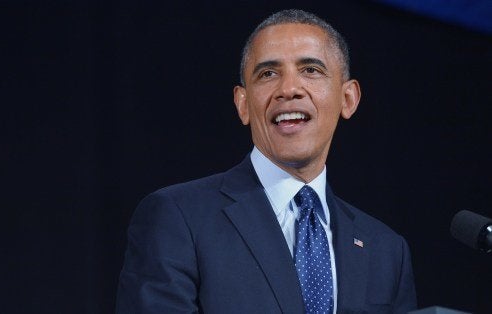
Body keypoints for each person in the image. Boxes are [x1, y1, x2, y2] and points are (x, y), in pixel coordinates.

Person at [116, 9, 416, 314]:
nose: (288, 89)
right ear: (243, 104)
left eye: (311, 70)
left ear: (348, 98)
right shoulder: (178, 218)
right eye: (268, 74)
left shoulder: (386, 250)